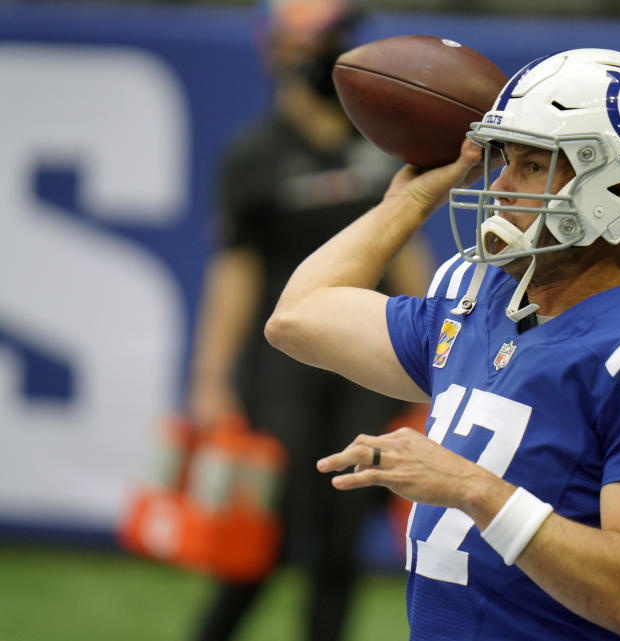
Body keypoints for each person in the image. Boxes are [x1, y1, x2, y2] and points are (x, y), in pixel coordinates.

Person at [265, 48, 620, 641]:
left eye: (533, 166)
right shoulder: (476, 296)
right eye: (504, 159)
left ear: (619, 185)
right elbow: (298, 316)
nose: (500, 185)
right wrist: (408, 200)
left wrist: (471, 487)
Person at [186, 1, 433, 640]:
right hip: (283, 363)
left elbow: (405, 255)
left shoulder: (379, 149)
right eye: (331, 41)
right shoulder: (256, 155)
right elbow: (234, 275)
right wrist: (210, 379)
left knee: (343, 535)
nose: (343, 53)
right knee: (269, 533)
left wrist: (445, 354)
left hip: (364, 359)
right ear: (284, 52)